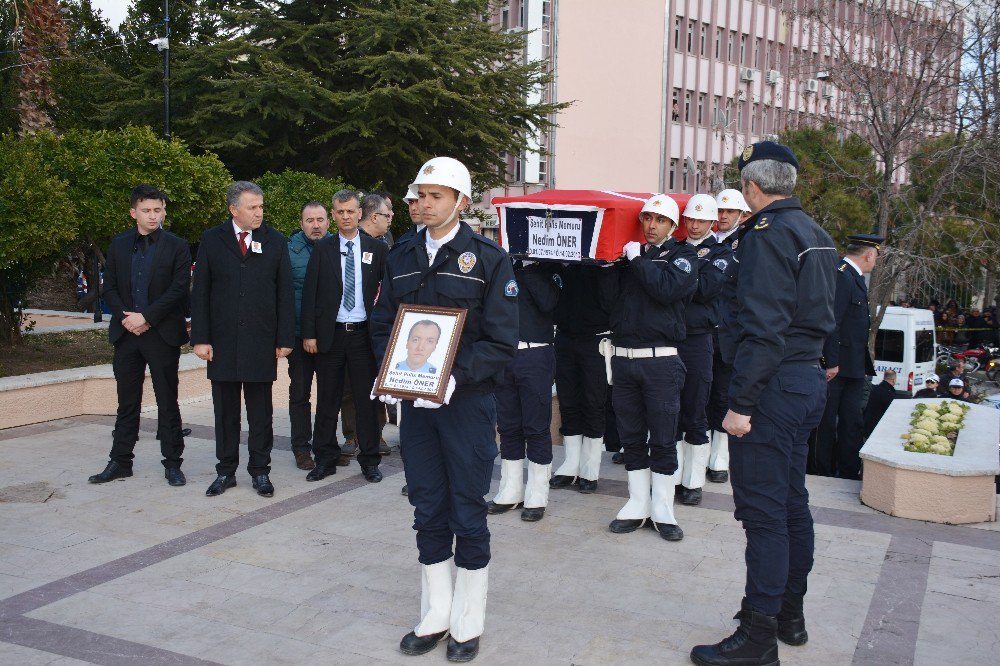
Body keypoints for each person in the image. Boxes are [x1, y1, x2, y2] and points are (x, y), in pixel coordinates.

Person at [691, 141, 837, 666]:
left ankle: (758, 639)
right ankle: (788, 616)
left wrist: (742, 404)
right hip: (805, 381)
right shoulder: (815, 233)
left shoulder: (769, 236)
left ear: (752, 187)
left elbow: (765, 329)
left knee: (765, 515)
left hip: (773, 386)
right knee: (791, 504)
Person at [372, 157, 517, 662]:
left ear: (459, 200)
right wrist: (387, 373)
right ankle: (436, 610)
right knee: (427, 505)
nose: (420, 203)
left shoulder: (490, 259)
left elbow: (501, 340)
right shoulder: (401, 254)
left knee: (468, 510)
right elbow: (383, 322)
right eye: (417, 195)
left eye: (433, 195)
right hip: (416, 407)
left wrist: (454, 377)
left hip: (467, 406)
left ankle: (467, 619)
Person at [601, 194, 697, 541]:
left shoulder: (683, 256)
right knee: (630, 436)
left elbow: (667, 290)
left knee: (663, 436)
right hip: (624, 359)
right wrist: (613, 266)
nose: (651, 226)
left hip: (661, 361)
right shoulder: (630, 258)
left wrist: (638, 261)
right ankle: (637, 503)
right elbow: (608, 303)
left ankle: (663, 508)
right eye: (647, 219)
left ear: (672, 225)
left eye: (659, 220)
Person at [190, 181, 295, 498]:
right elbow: (201, 293)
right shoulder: (211, 240)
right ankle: (225, 472)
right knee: (225, 412)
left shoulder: (275, 241)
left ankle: (261, 472)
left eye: (261, 206)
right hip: (221, 343)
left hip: (261, 341)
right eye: (253, 207)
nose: (259, 212)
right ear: (233, 209)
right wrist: (200, 338)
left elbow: (285, 293)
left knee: (261, 412)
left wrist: (284, 337)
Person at [89, 185, 192, 486]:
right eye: (146, 210)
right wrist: (127, 319)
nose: (152, 216)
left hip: (161, 335)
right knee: (127, 402)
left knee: (167, 401)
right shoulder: (119, 244)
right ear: (134, 212)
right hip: (126, 335)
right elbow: (110, 288)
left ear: (164, 211)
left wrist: (147, 317)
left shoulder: (177, 245)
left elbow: (178, 290)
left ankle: (173, 463)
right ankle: (120, 462)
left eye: (157, 210)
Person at [300, 190, 388, 484]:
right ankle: (325, 458)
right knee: (327, 400)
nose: (346, 216)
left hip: (364, 337)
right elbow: (310, 294)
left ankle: (370, 460)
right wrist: (309, 334)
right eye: (340, 212)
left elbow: (386, 294)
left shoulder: (376, 249)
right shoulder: (323, 249)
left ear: (359, 214)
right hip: (331, 336)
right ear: (334, 215)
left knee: (367, 401)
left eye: (351, 211)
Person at [488, 259, 561, 521]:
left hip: (536, 354)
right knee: (508, 426)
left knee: (536, 427)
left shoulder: (550, 268)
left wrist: (529, 267)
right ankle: (510, 490)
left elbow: (549, 303)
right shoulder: (503, 264)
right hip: (504, 355)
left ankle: (537, 495)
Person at [674, 193, 733, 506]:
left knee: (696, 408)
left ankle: (693, 480)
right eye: (690, 219)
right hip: (671, 336)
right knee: (669, 410)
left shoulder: (723, 254)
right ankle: (671, 475)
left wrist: (678, 277)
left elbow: (707, 289)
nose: (694, 225)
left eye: (701, 220)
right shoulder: (677, 249)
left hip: (699, 339)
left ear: (712, 222)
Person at [812, 234, 883, 480]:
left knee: (852, 421)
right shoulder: (842, 275)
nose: (875, 262)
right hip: (838, 366)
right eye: (876, 256)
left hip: (852, 365)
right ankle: (821, 468)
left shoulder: (854, 277)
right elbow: (833, 322)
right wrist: (831, 362)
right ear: (869, 254)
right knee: (827, 422)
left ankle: (848, 468)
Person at [549, 263, 612, 493]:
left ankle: (589, 469)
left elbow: (610, 299)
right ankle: (570, 464)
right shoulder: (562, 264)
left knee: (593, 402)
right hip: (565, 336)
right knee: (568, 401)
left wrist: (604, 268)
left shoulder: (602, 262)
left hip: (596, 338)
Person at [704, 188, 752, 485]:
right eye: (719, 212)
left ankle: (719, 458)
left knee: (723, 394)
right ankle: (700, 451)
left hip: (728, 332)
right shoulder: (702, 244)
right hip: (703, 331)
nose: (722, 217)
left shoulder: (745, 244)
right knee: (700, 395)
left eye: (729, 213)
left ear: (740, 215)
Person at [341, 192, 394, 459]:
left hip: (376, 329)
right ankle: (351, 435)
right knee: (348, 385)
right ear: (373, 216)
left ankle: (376, 432)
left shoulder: (384, 246)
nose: (391, 219)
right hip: (348, 327)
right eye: (387, 215)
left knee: (375, 383)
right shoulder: (343, 243)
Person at [286, 201, 333, 471]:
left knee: (329, 394)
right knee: (300, 395)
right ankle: (301, 448)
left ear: (328, 221)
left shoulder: (339, 248)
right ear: (302, 223)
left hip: (330, 335)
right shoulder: (289, 252)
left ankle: (325, 446)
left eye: (320, 220)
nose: (315, 225)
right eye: (309, 220)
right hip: (298, 335)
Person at [863, 370, 896, 438]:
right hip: (878, 429)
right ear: (894, 380)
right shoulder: (889, 394)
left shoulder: (874, 389)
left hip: (866, 426)